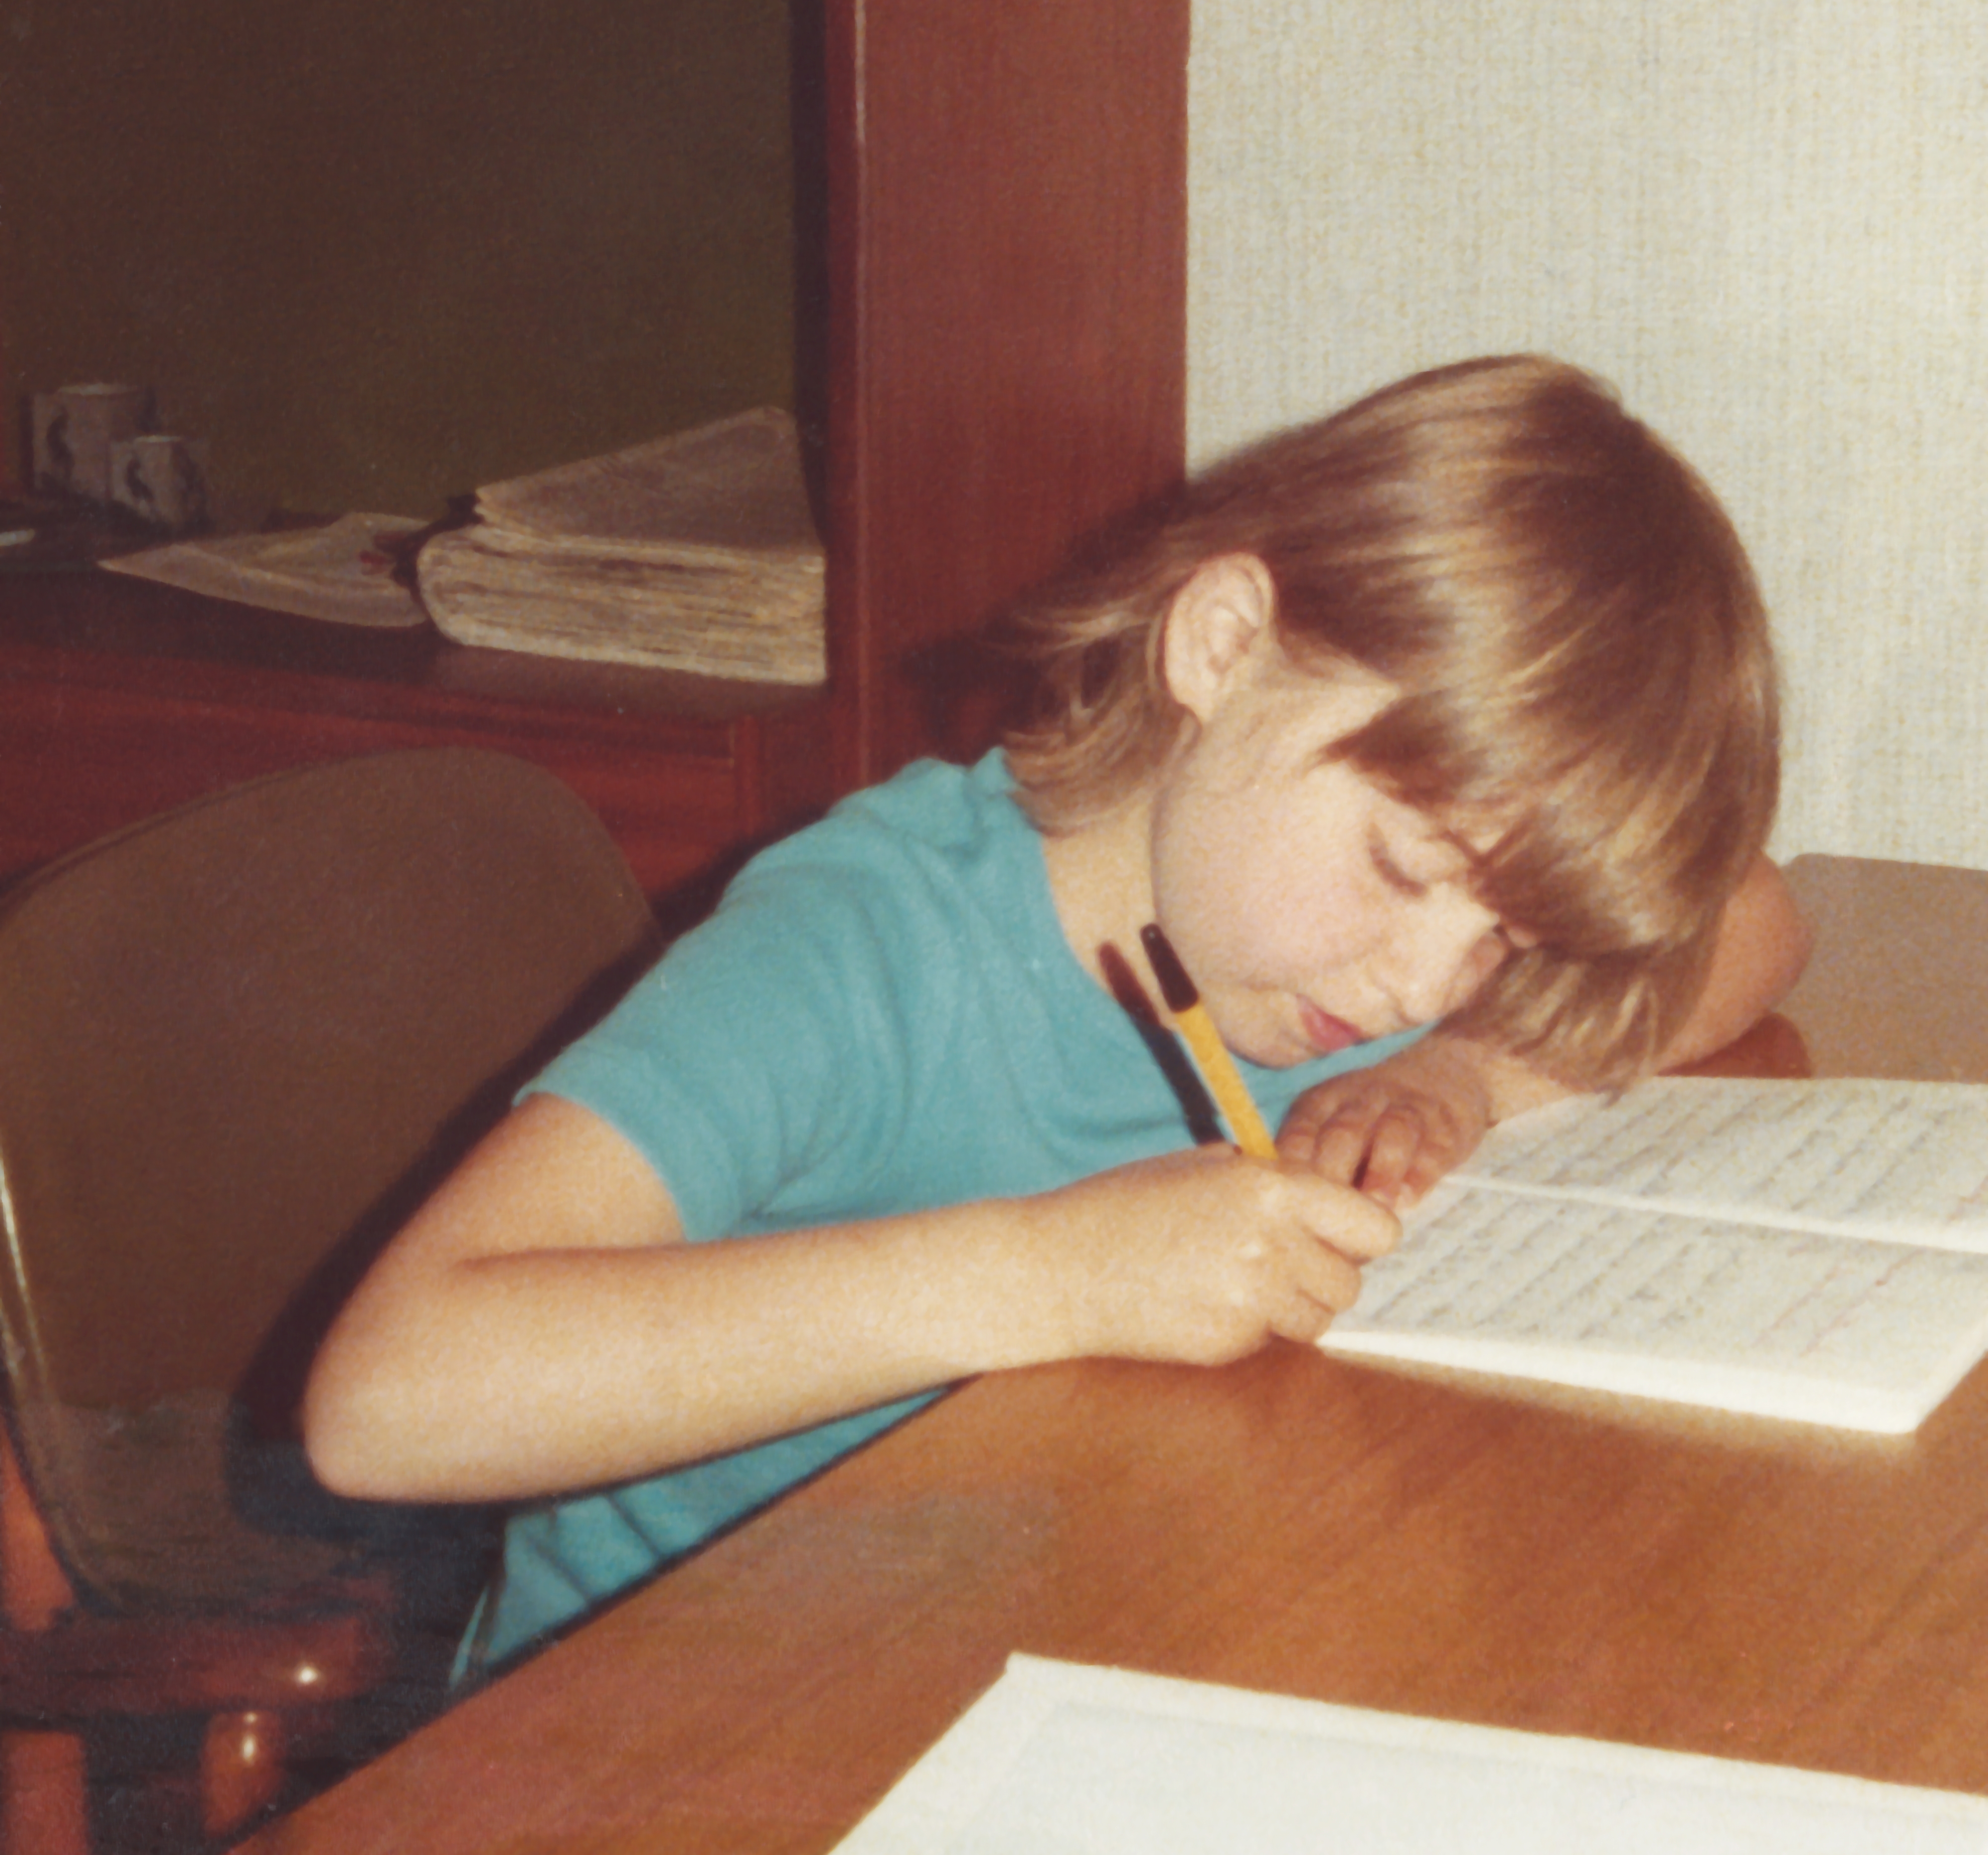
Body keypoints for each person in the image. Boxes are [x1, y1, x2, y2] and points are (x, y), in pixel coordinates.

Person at [303, 355, 1810, 1681]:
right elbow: (384, 1400)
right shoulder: (863, 949)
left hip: (1044, 1644)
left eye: (1506, 935)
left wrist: (1464, 1078)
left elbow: (1753, 923)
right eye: (1408, 867)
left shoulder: (1349, 969)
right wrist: (1051, 1275)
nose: (1423, 978)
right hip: (667, 1727)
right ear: (1222, 647)